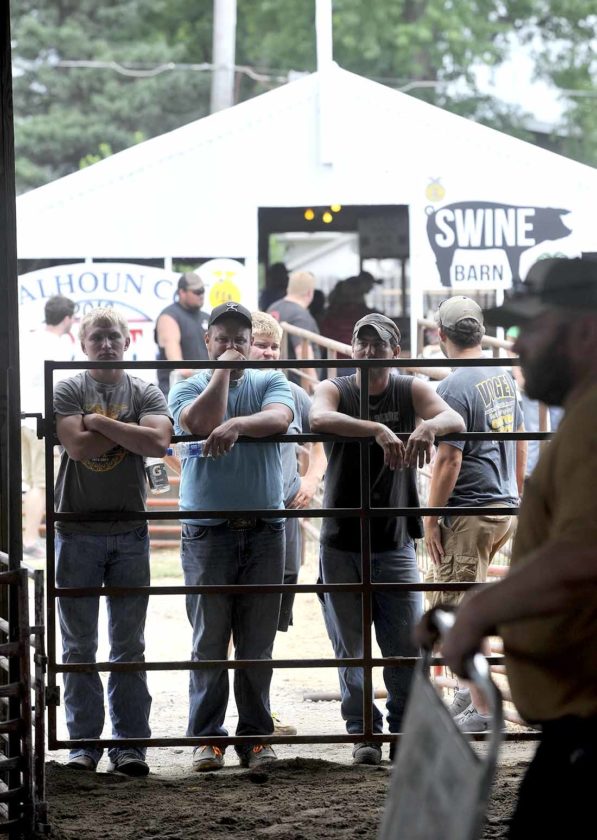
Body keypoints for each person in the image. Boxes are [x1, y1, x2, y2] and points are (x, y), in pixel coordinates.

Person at [416, 256, 597, 839]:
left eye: (533, 327)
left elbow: (586, 554)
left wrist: (479, 610)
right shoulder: (580, 413)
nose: (516, 344)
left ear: (585, 330)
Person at [309, 313, 465, 765]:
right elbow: (317, 416)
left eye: (379, 344)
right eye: (362, 342)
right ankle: (363, 732)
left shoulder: (408, 388)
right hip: (341, 538)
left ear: (394, 351)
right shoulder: (338, 388)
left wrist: (429, 426)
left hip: (395, 537)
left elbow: (453, 416)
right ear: (351, 349)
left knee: (404, 646)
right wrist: (377, 430)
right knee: (350, 647)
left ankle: (404, 731)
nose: (369, 351)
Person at [168, 301, 294, 772]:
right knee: (209, 638)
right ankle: (207, 737)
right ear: (208, 342)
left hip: (264, 529)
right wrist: (222, 372)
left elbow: (280, 418)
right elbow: (199, 423)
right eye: (223, 339)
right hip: (208, 531)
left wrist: (238, 424)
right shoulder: (187, 387)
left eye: (240, 339)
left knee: (257, 642)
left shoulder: (270, 380)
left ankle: (256, 737)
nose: (233, 346)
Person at [53, 307, 172, 776]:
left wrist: (98, 423)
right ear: (83, 345)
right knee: (78, 646)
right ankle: (84, 744)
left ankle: (129, 746)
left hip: (128, 529)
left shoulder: (145, 390)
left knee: (128, 644)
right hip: (77, 528)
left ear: (127, 341)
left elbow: (158, 444)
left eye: (113, 337)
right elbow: (76, 447)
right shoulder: (68, 388)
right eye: (97, 338)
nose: (106, 344)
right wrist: (131, 433)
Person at [423, 297, 526, 731]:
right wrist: (514, 493)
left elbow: (449, 460)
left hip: (471, 509)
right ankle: (470, 698)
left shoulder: (452, 388)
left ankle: (483, 710)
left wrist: (431, 519)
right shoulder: (503, 377)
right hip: (501, 505)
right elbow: (520, 438)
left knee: (455, 611)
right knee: (471, 605)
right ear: (480, 332)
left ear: (441, 335)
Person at [250, 312, 327, 633]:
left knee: (277, 599)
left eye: (274, 347)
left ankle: (258, 661)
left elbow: (322, 441)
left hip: (285, 510)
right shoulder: (225, 391)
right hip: (242, 514)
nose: (269, 353)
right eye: (260, 345)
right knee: (237, 600)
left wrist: (311, 480)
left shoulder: (294, 394)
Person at [20, 295, 76, 559]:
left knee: (32, 482)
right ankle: (30, 539)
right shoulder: (58, 346)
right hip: (41, 420)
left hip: (23, 417)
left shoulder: (29, 339)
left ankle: (28, 537)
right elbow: (61, 389)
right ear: (67, 318)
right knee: (41, 484)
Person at [506, 324, 563, 475]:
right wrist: (519, 376)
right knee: (533, 431)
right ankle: (532, 475)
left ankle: (554, 472)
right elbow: (511, 341)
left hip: (554, 380)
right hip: (535, 380)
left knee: (558, 428)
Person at [155, 272, 210, 397]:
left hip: (203, 388)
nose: (201, 295)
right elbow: (178, 364)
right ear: (182, 292)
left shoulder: (207, 317)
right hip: (176, 391)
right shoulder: (169, 316)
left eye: (202, 291)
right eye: (196, 292)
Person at [267, 270, 321, 391]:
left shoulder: (273, 308)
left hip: (277, 379)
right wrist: (314, 385)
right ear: (309, 292)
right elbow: (302, 350)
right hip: (296, 386)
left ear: (289, 288)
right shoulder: (301, 315)